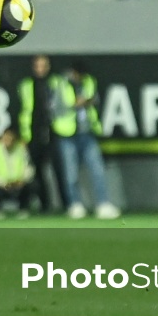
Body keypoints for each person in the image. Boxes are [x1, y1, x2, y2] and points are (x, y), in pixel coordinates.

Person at [52, 61, 120, 220]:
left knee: (97, 169)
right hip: (67, 134)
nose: (80, 77)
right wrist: (75, 104)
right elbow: (56, 107)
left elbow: (95, 99)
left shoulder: (89, 81)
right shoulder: (60, 83)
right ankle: (75, 204)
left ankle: (103, 204)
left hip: (87, 132)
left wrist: (87, 102)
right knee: (71, 173)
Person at [17, 54, 67, 213]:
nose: (41, 69)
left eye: (44, 65)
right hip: (34, 134)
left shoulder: (57, 82)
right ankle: (45, 205)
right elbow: (23, 111)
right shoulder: (26, 85)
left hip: (55, 133)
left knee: (60, 170)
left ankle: (67, 204)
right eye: (38, 65)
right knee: (38, 172)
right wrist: (24, 136)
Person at [0, 127, 35, 219]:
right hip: (1, 185)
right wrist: (4, 183)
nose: (8, 141)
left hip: (18, 185)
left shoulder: (21, 150)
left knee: (31, 185)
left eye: (11, 139)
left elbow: (29, 169)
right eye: (6, 138)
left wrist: (21, 180)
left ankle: (23, 210)